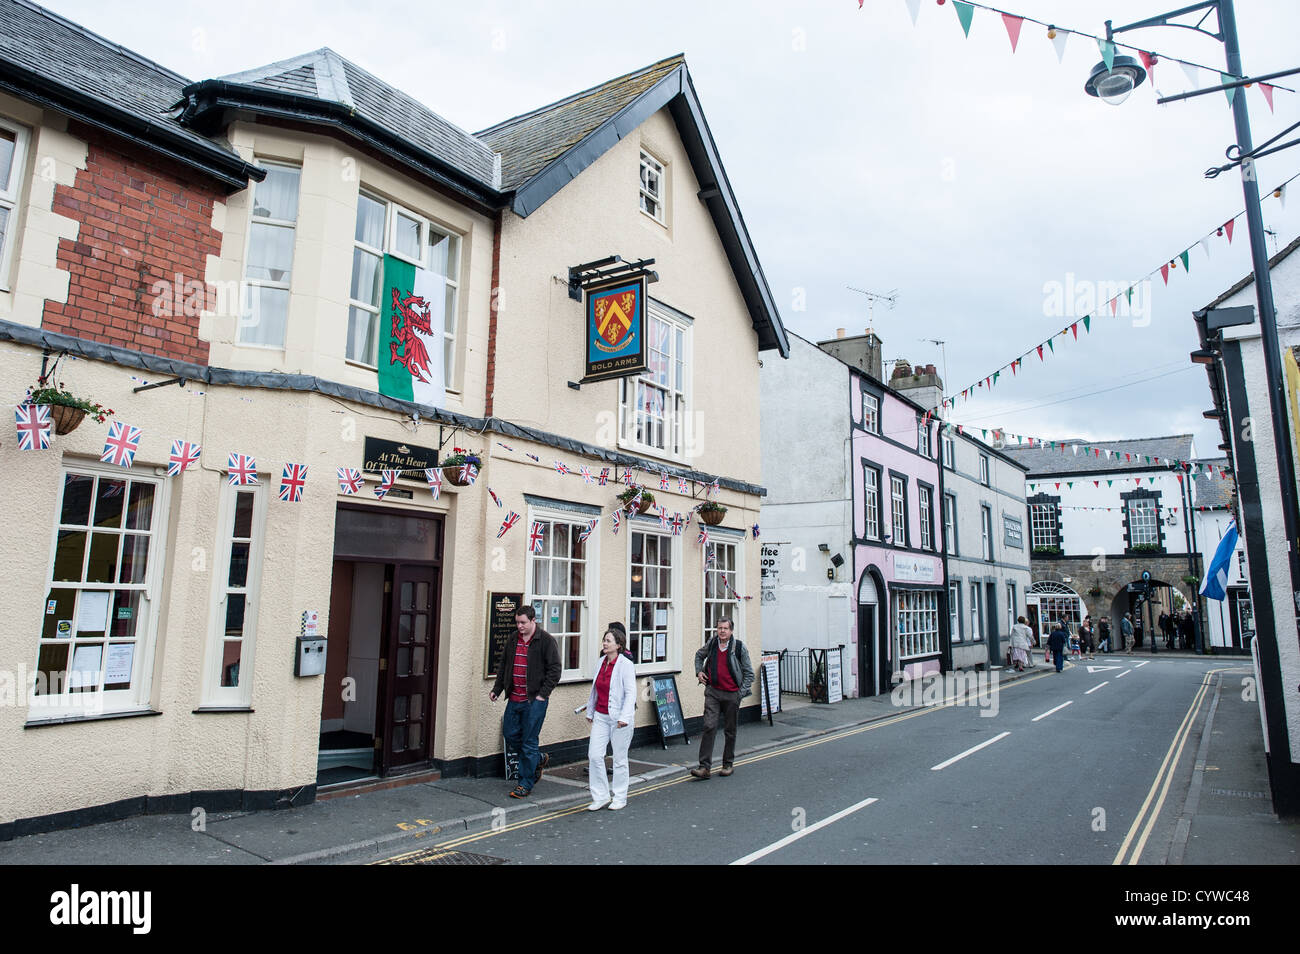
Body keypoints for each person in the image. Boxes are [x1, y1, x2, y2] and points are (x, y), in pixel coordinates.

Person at [489, 605, 561, 799]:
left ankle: (525, 783)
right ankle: (537, 759)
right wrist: (497, 689)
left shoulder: (546, 641)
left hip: (534, 700)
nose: (519, 626)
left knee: (529, 741)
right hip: (514, 698)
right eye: (517, 622)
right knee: (510, 734)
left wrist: (542, 695)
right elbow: (504, 665)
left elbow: (555, 670)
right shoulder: (513, 639)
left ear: (532, 621)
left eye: (523, 623)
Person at [690, 618, 754, 780]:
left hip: (732, 694)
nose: (722, 631)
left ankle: (727, 764)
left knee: (730, 730)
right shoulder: (712, 644)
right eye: (720, 628)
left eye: (725, 628)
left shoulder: (739, 647)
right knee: (709, 726)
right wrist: (699, 672)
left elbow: (749, 673)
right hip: (713, 692)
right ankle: (704, 767)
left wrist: (740, 693)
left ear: (731, 631)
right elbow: (699, 655)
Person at [585, 622, 637, 811]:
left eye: (608, 641)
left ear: (618, 645)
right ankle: (600, 796)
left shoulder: (626, 665)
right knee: (595, 755)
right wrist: (590, 711)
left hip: (619, 719)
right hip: (601, 715)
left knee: (619, 759)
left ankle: (620, 797)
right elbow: (595, 690)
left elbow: (631, 693)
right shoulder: (601, 662)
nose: (604, 644)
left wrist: (624, 717)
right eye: (604, 640)